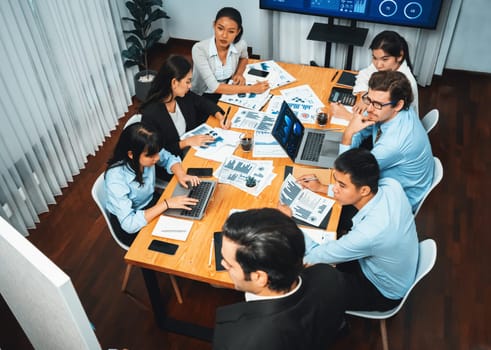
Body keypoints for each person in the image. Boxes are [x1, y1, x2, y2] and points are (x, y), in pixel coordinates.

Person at [295, 148, 419, 311]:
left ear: (365, 190)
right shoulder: (391, 185)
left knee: (304, 283)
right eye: (335, 180)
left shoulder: (369, 234)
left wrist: (288, 224)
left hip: (381, 290)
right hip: (389, 265)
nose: (335, 188)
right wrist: (322, 188)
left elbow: (313, 258)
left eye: (342, 185)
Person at [214, 208, 347, 350]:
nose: (223, 264)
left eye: (229, 264)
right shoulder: (327, 274)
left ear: (259, 277)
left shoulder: (243, 340)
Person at [339, 70, 433, 212]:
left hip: (397, 203)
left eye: (377, 104)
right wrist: (354, 131)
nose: (369, 109)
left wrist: (348, 134)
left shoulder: (393, 143)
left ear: (398, 105)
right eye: (368, 100)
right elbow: (362, 126)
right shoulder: (389, 110)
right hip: (394, 177)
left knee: (339, 198)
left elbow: (349, 173)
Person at [104, 123, 200, 246]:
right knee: (175, 247)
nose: (157, 158)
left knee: (191, 226)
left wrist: (181, 174)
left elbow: (168, 158)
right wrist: (166, 204)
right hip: (132, 223)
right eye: (151, 156)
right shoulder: (115, 178)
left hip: (151, 203)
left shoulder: (149, 149)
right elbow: (129, 224)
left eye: (157, 152)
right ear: (131, 154)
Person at [140, 55, 230, 180]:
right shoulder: (151, 114)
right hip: (174, 164)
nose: (190, 86)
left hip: (193, 150)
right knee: (216, 174)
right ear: (174, 83)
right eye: (187, 81)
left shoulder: (182, 96)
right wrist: (186, 142)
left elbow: (202, 103)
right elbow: (158, 152)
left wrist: (220, 117)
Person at [331, 30, 419, 119]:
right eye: (374, 58)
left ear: (400, 56)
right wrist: (365, 96)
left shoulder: (404, 83)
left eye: (385, 59)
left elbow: (382, 122)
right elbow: (363, 74)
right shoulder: (386, 66)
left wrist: (347, 116)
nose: (378, 65)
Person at [191, 7, 269, 103]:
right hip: (204, 95)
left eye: (231, 31)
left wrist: (239, 74)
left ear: (238, 31)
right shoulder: (199, 49)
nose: (224, 35)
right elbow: (214, 87)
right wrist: (251, 89)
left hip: (229, 88)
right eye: (220, 28)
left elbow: (244, 58)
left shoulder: (241, 44)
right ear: (214, 25)